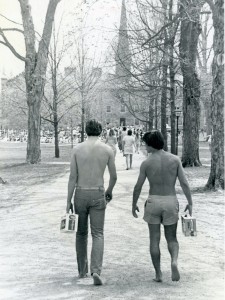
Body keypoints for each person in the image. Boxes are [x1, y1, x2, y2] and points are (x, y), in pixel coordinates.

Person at [132, 130, 193, 282]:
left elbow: (138, 186)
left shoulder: (146, 163)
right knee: (172, 238)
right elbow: (184, 183)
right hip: (171, 200)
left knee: (154, 239)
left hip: (153, 201)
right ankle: (173, 261)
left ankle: (158, 274)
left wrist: (133, 204)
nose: (145, 147)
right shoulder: (174, 159)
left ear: (152, 145)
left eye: (146, 144)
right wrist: (190, 202)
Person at [66, 119, 117, 285]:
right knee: (98, 233)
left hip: (80, 192)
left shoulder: (77, 149)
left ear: (86, 131)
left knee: (81, 233)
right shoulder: (107, 149)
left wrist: (68, 200)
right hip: (97, 192)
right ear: (101, 131)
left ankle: (82, 270)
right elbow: (114, 176)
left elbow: (73, 177)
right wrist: (109, 191)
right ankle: (96, 270)